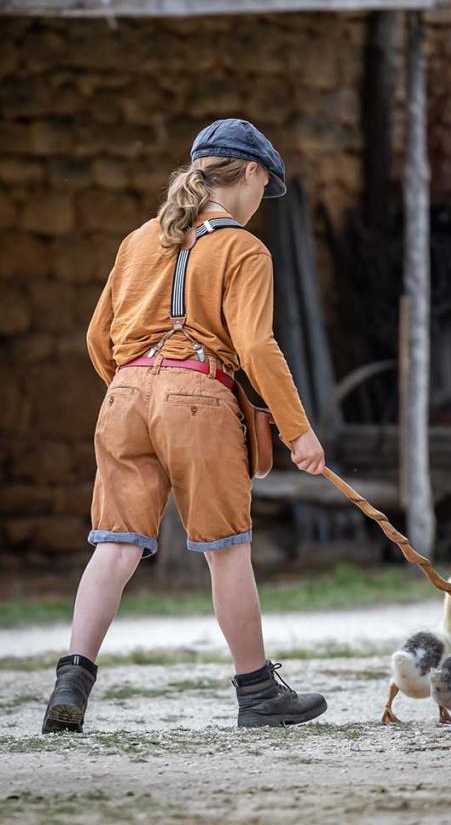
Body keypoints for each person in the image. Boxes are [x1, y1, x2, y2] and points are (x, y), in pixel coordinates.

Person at [42, 118, 327, 732]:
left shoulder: (139, 240)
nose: (259, 204)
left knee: (114, 547)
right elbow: (254, 346)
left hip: (123, 394)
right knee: (227, 552)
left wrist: (134, 389)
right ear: (250, 173)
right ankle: (257, 693)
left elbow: (98, 338)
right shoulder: (246, 250)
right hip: (199, 398)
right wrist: (297, 429)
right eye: (262, 188)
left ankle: (72, 679)